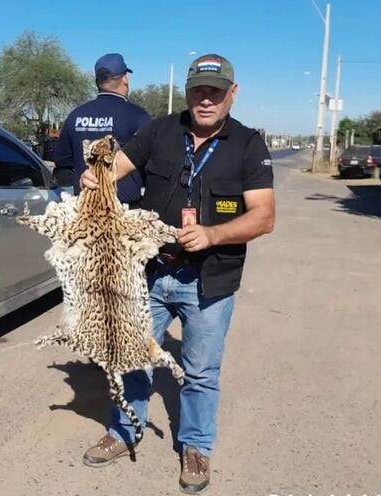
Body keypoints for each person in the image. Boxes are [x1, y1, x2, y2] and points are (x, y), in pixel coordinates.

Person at [79, 53, 275, 494]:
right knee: (131, 356)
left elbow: (263, 217)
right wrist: (97, 178)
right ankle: (124, 430)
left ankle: (196, 447)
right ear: (188, 93)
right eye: (199, 91)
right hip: (152, 272)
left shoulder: (249, 145)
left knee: (201, 371)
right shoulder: (160, 130)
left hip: (211, 280)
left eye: (216, 92)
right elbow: (117, 167)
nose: (206, 100)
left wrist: (213, 233)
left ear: (232, 93)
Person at [53, 53, 151, 207]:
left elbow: (63, 161)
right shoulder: (137, 115)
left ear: (97, 82)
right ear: (125, 78)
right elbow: (152, 161)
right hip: (124, 210)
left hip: (86, 208)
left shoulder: (76, 115)